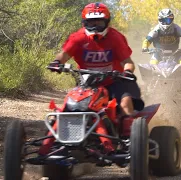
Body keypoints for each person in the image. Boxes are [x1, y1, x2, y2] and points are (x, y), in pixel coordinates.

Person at [47, 2, 144, 154]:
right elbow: (64, 55)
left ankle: (128, 140)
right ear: (84, 22)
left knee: (125, 103)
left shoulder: (116, 38)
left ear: (107, 21)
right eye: (91, 21)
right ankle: (55, 139)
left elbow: (128, 62)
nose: (95, 25)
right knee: (69, 105)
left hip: (114, 81)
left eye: (99, 21)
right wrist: (57, 63)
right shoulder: (77, 38)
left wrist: (127, 72)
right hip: (86, 83)